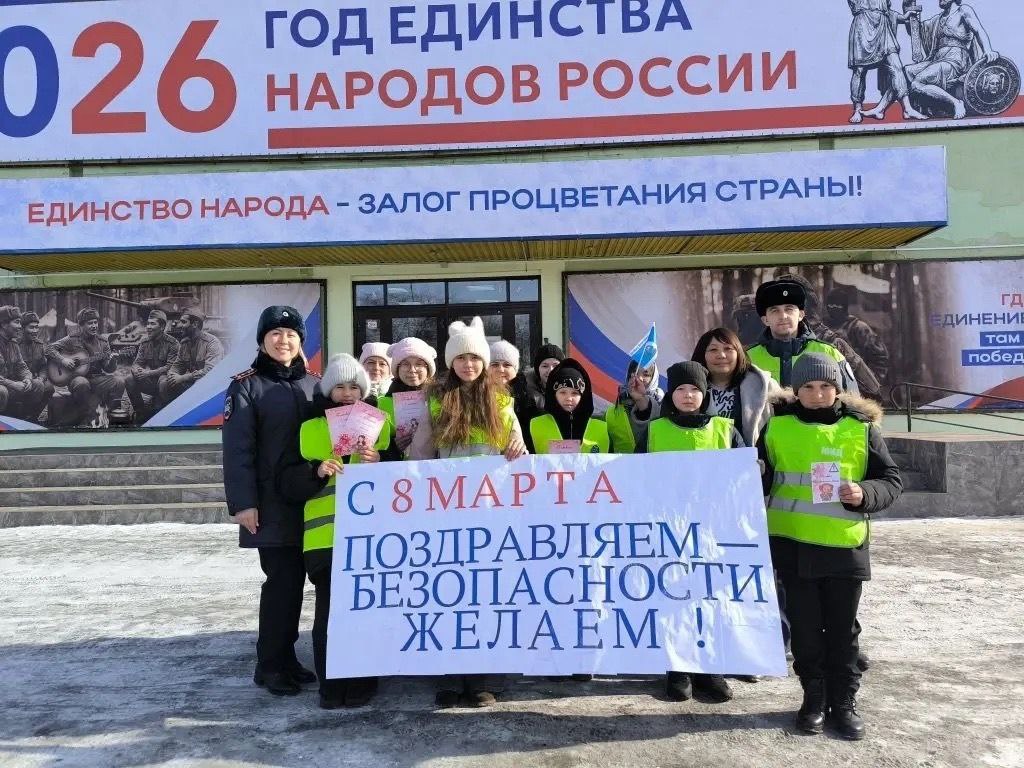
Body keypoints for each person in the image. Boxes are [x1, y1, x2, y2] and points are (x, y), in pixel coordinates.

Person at [757, 353, 902, 740]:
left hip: (843, 548)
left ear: (837, 389)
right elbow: (761, 480)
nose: (817, 393)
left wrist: (865, 493)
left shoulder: (861, 428)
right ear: (796, 390)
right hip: (793, 547)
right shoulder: (776, 428)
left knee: (842, 632)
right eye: (808, 387)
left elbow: (891, 480)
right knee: (805, 634)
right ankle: (814, 699)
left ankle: (844, 701)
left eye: (825, 386)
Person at [409, 317, 528, 708]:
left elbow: (517, 449)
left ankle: (482, 680)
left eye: (475, 357)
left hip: (491, 513)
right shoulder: (436, 399)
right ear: (450, 362)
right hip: (448, 512)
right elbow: (421, 454)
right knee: (448, 595)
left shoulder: (502, 401)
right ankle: (447, 678)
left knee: (486, 594)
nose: (468, 364)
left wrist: (518, 450)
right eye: (460, 358)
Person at [277, 353, 392, 709]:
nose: (347, 393)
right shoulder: (309, 428)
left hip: (371, 538)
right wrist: (315, 472)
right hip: (325, 538)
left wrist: (382, 461)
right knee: (329, 616)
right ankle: (331, 686)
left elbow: (403, 480)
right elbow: (287, 484)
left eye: (354, 386)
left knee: (366, 614)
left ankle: (362, 683)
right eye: (339, 386)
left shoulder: (380, 424)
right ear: (327, 390)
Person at [222, 306, 319, 697]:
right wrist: (243, 503)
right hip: (271, 504)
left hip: (313, 500)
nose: (283, 340)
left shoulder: (314, 384)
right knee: (282, 583)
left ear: (301, 341)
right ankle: (270, 665)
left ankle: (287, 657)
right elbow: (238, 450)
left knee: (299, 583)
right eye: (275, 333)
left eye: (291, 334)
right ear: (263, 341)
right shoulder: (247, 386)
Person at [639, 361, 743, 704]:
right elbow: (637, 479)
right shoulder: (655, 430)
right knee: (674, 600)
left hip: (714, 532)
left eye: (695, 390)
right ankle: (678, 669)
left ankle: (710, 668)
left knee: (711, 599)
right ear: (671, 394)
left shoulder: (725, 430)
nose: (688, 396)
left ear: (705, 394)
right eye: (681, 389)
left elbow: (744, 478)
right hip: (669, 532)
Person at [746, 280, 860, 395]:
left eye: (789, 309)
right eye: (775, 310)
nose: (783, 316)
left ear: (801, 315)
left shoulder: (830, 353)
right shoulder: (748, 358)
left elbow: (852, 402)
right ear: (765, 319)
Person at [779, 275, 882, 400]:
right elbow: (873, 391)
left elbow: (872, 388)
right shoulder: (832, 342)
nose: (783, 315)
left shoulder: (835, 342)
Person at [692, 327, 776, 447]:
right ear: (702, 354)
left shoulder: (765, 386)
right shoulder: (688, 389)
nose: (721, 355)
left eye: (728, 349)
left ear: (738, 353)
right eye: (713, 350)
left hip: (753, 457)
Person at [846, 0, 926, 123]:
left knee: (897, 66)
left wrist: (903, 17)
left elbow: (888, 11)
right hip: (863, 25)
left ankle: (907, 108)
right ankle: (857, 109)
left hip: (883, 27)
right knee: (859, 71)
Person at [45, 307, 125, 425]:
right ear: (81, 325)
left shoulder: (103, 342)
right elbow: (48, 349)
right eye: (90, 323)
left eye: (95, 322)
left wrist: (113, 360)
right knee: (82, 383)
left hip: (97, 379)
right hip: (77, 379)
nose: (94, 326)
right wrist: (63, 360)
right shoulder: (71, 339)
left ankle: (107, 416)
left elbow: (108, 369)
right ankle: (87, 418)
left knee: (119, 381)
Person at [529, 358, 608, 455]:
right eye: (563, 392)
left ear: (583, 396)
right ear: (554, 394)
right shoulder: (536, 425)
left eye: (575, 393)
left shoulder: (602, 428)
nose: (569, 398)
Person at [378, 337, 437, 454]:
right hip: (399, 465)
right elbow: (374, 447)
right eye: (405, 364)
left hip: (435, 464)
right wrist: (393, 448)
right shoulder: (383, 403)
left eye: (419, 364)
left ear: (428, 369)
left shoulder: (441, 398)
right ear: (397, 368)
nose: (412, 370)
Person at [825, 287, 890, 387]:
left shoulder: (859, 328)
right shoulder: (822, 327)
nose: (833, 308)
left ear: (844, 306)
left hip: (856, 387)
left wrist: (870, 383)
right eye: (830, 305)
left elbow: (880, 357)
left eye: (837, 305)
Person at [125, 310, 180, 422]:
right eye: (148, 324)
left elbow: (170, 367)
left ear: (162, 326)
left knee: (162, 383)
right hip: (151, 382)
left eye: (152, 324)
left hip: (167, 383)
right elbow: (137, 363)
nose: (148, 327)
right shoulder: (145, 342)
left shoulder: (173, 343)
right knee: (129, 379)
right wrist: (136, 371)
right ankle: (140, 412)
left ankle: (166, 415)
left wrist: (148, 373)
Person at [159, 308, 223, 403]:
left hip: (210, 385)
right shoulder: (185, 343)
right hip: (193, 381)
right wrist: (172, 375)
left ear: (195, 324)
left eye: (183, 322)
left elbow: (210, 371)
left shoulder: (212, 343)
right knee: (164, 381)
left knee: (199, 383)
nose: (179, 325)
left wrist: (182, 378)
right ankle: (171, 409)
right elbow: (178, 365)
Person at [0, 306, 52, 422]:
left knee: (38, 385)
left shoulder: (13, 344)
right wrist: (13, 384)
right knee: (1, 391)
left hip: (11, 384)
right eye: (17, 322)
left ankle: (25, 420)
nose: (20, 326)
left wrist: (27, 378)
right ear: (3, 324)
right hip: (5, 386)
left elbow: (21, 366)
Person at [489, 340, 541, 452]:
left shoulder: (528, 397)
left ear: (515, 369)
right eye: (495, 364)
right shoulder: (480, 397)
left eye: (507, 365)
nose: (500, 369)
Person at [605, 359, 664, 454]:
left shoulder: (665, 410)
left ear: (653, 378)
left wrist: (642, 400)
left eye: (646, 374)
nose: (639, 378)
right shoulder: (612, 412)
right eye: (635, 373)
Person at [524, 343, 565, 411]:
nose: (551, 370)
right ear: (538, 370)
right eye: (545, 366)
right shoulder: (525, 396)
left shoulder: (574, 391)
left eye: (556, 366)